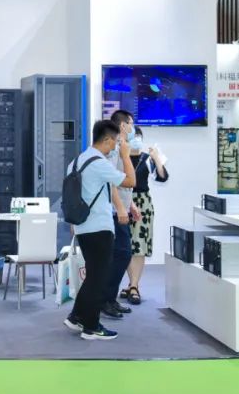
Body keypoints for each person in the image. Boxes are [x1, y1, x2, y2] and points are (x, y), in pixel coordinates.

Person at [63, 120, 135, 341]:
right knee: (98, 278)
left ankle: (76, 316)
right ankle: (91, 327)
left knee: (93, 276)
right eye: (116, 141)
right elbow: (130, 181)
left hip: (83, 226)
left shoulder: (76, 161)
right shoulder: (99, 163)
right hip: (99, 228)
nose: (116, 146)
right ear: (107, 140)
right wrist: (125, 156)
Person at [120, 127, 169, 305]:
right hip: (123, 201)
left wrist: (157, 158)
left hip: (143, 204)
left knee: (139, 246)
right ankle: (131, 284)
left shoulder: (147, 159)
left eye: (139, 136)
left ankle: (134, 285)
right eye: (133, 136)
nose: (136, 139)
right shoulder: (120, 157)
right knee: (126, 246)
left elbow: (162, 177)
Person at [101, 109, 139, 320]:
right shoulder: (115, 149)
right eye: (131, 123)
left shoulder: (122, 147)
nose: (133, 127)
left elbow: (123, 181)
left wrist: (130, 204)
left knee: (121, 254)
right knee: (122, 254)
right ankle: (106, 299)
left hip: (121, 209)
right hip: (114, 213)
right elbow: (111, 182)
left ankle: (110, 298)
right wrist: (121, 208)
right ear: (123, 125)